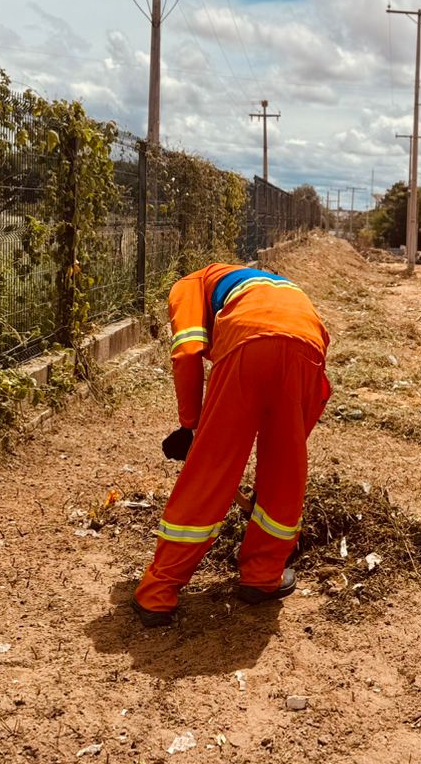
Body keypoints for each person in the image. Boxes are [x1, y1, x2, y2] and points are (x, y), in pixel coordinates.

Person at [133, 264, 331, 627]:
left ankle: (158, 592)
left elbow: (188, 350)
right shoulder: (270, 287)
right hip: (309, 347)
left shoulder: (188, 285)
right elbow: (314, 387)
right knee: (285, 471)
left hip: (247, 342)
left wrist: (190, 426)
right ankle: (262, 576)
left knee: (210, 469)